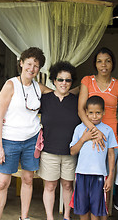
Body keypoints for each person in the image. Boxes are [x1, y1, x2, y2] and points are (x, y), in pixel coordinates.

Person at [0, 47, 51, 220]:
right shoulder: (11, 85)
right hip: (9, 140)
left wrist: (78, 90)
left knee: (28, 180)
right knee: (3, 182)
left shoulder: (38, 87)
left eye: (36, 65)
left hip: (31, 140)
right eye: (29, 64)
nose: (32, 68)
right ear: (21, 63)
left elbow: (58, 95)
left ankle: (23, 217)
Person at [37, 61, 81, 220]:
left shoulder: (77, 102)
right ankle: (50, 217)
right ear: (54, 80)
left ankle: (67, 217)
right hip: (49, 151)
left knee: (68, 185)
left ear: (72, 82)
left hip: (70, 152)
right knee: (49, 186)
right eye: (60, 79)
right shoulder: (45, 99)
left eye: (68, 80)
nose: (64, 83)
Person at [78, 47, 118, 154]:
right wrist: (95, 131)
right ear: (95, 64)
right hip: (91, 135)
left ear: (113, 64)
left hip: (112, 136)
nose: (103, 65)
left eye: (107, 61)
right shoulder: (87, 81)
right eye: (99, 61)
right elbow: (81, 110)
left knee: (111, 170)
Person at [70, 96, 118, 220]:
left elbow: (111, 155)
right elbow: (72, 151)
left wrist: (110, 177)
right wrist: (84, 139)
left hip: (99, 176)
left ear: (104, 112)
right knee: (82, 208)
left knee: (96, 210)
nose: (94, 116)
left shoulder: (108, 130)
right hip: (81, 174)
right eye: (91, 113)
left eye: (98, 113)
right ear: (86, 112)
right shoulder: (79, 129)